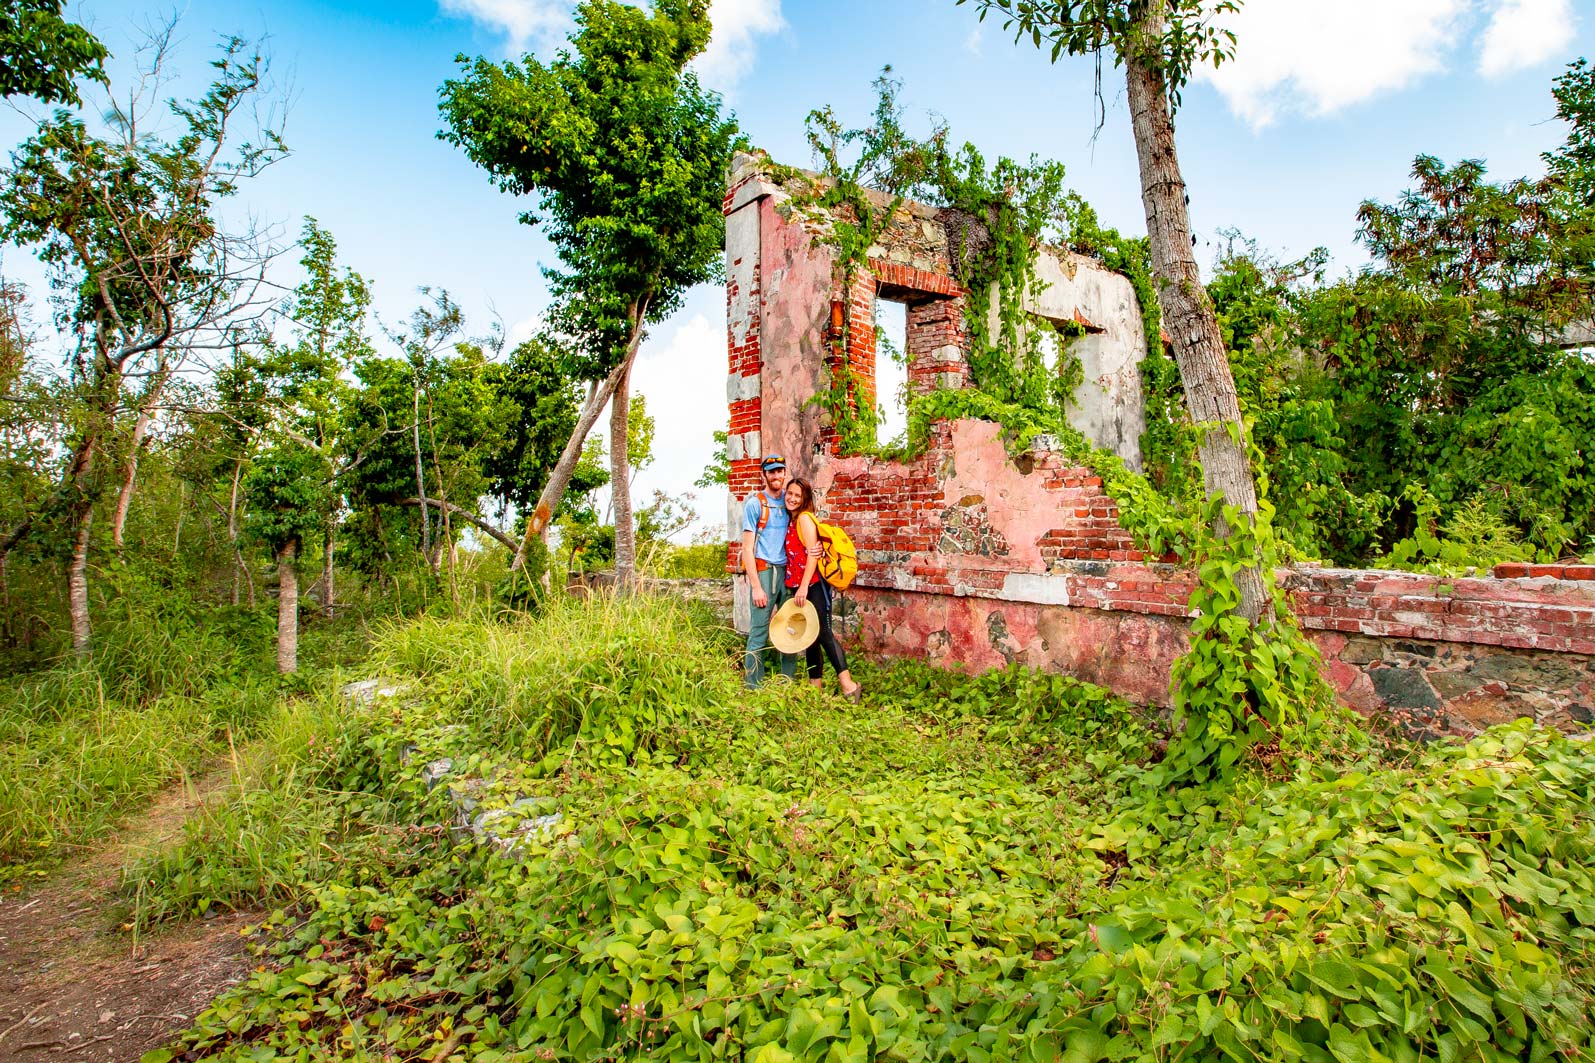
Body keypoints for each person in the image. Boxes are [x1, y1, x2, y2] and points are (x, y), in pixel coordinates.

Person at [783, 477, 862, 702]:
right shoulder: (793, 520)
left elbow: (812, 556)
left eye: (798, 495)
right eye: (790, 493)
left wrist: (804, 587)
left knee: (824, 633)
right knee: (810, 638)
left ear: (805, 498)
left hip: (813, 586)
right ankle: (814, 689)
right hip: (802, 586)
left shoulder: (805, 519)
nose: (792, 498)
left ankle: (849, 686)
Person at [741, 454, 796, 687]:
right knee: (759, 631)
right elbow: (747, 548)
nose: (776, 475)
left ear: (785, 473)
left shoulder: (790, 500)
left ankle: (787, 682)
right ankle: (753, 685)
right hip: (764, 571)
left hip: (788, 572)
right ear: (764, 475)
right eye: (771, 471)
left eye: (780, 471)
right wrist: (756, 587)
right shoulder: (755, 504)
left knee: (790, 628)